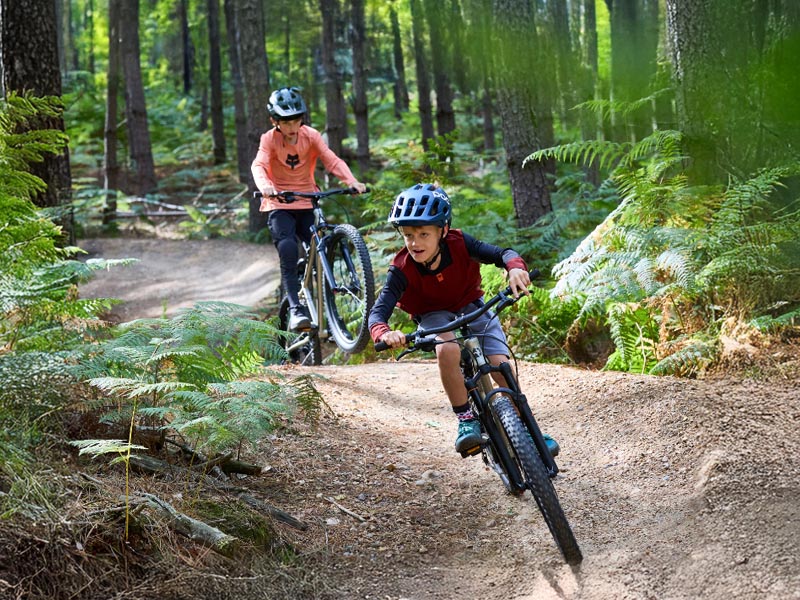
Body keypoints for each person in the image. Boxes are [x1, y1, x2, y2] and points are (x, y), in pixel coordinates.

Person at [368, 183, 560, 456]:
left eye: (424, 234)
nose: (415, 243)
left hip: (472, 307)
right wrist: (384, 333)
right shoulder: (400, 269)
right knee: (447, 348)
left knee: (500, 365)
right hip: (434, 317)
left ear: (442, 231)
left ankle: (527, 427)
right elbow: (377, 313)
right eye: (408, 235)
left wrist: (515, 268)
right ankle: (466, 420)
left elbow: (502, 253)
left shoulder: (460, 243)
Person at [251, 86, 367, 331]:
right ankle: (295, 308)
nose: (293, 127)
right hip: (279, 203)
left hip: (306, 201)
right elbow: (259, 165)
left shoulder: (311, 136)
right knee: (288, 248)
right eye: (286, 122)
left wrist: (351, 181)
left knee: (322, 244)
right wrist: (266, 186)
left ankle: (329, 305)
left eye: (297, 120)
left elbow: (331, 159)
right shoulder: (269, 139)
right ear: (275, 121)